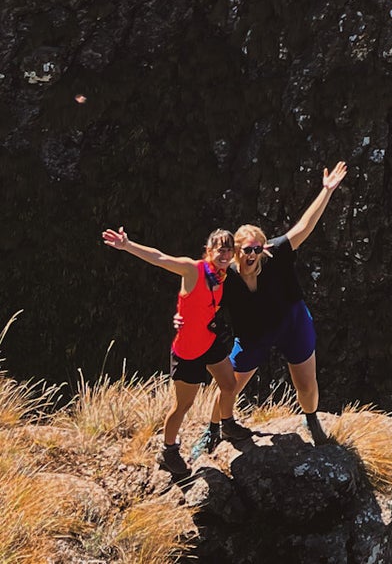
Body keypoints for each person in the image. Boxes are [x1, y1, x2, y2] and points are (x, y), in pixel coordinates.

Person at [101, 223, 242, 483]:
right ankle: (168, 450)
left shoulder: (223, 275)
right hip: (188, 349)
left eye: (229, 251)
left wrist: (266, 248)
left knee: (229, 384)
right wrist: (127, 245)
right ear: (208, 250)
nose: (225, 255)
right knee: (183, 405)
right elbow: (160, 258)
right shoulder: (193, 270)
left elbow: (250, 261)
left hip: (209, 341)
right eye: (220, 249)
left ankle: (225, 424)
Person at [226, 160, 348, 443]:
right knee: (228, 385)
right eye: (247, 249)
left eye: (258, 248)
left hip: (291, 322)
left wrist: (326, 191)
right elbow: (190, 275)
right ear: (236, 252)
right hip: (253, 333)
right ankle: (216, 426)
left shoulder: (275, 253)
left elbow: (304, 227)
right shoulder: (226, 276)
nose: (254, 253)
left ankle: (312, 420)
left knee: (305, 384)